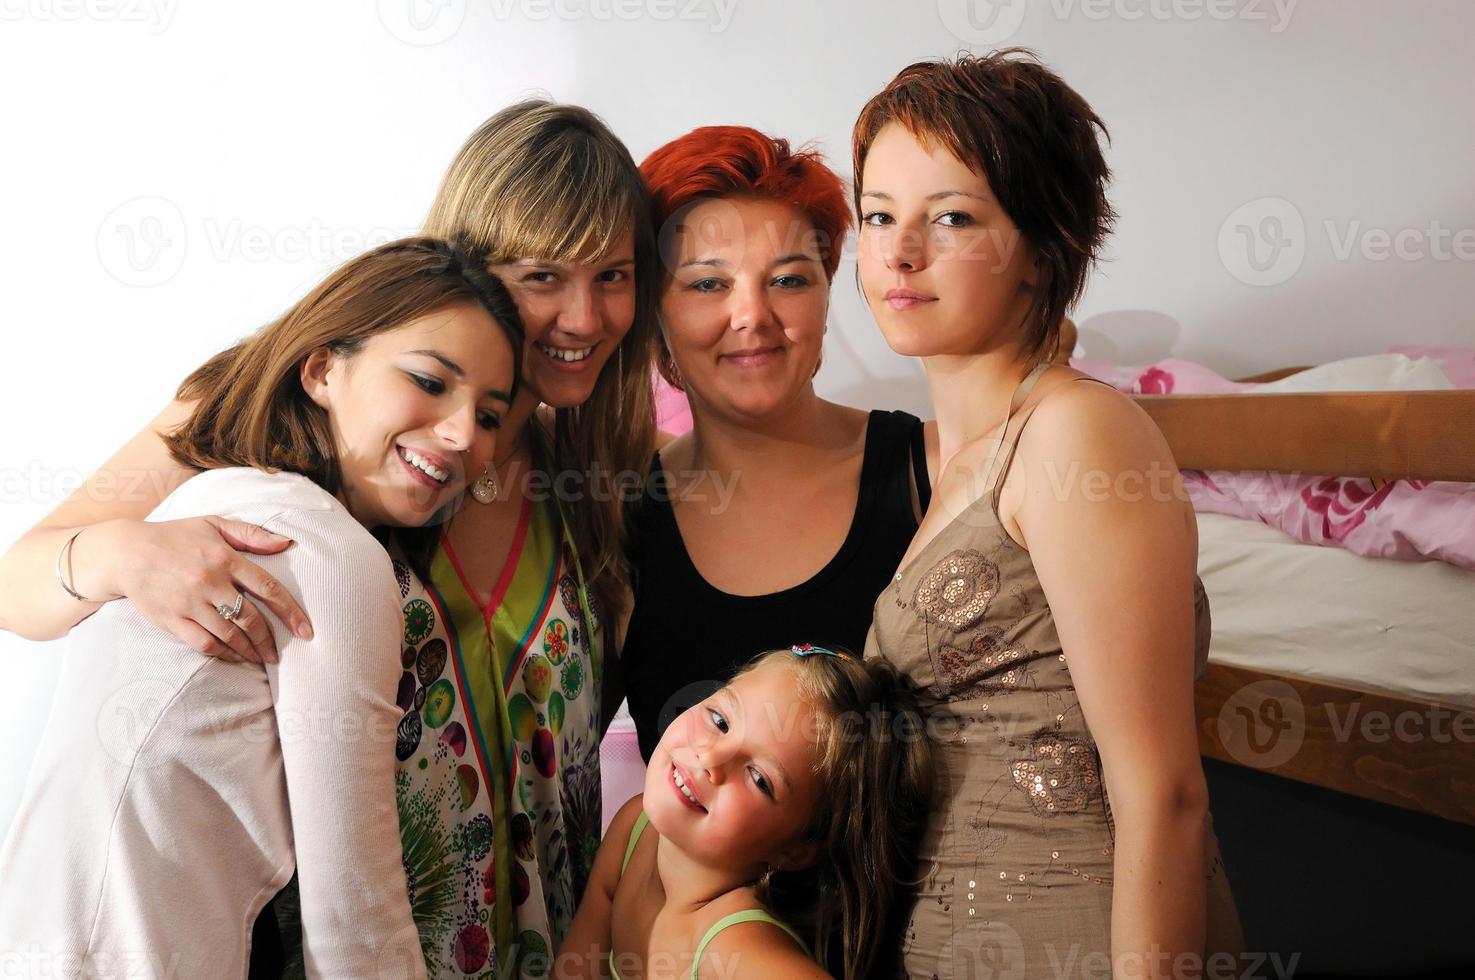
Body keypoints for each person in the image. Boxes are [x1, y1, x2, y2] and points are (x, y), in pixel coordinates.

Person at [0, 100, 658, 978]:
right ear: (474, 261)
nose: (583, 316)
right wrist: (122, 552)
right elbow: (14, 584)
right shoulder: (305, 415)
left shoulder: (599, 478)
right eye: (545, 275)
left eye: (613, 275)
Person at [0, 237, 522, 979]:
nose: (464, 433)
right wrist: (117, 550)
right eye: (430, 382)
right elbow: (353, 927)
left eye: (492, 416)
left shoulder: (228, 492)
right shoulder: (325, 549)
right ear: (321, 369)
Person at [853, 51, 1243, 976]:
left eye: (950, 218)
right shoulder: (958, 462)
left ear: (1041, 246)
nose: (899, 252)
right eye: (877, 217)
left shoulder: (1078, 434)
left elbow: (1163, 792)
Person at [617, 126, 936, 760]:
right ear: (653, 312)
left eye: (789, 280)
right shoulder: (618, 512)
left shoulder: (930, 470)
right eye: (708, 284)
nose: (753, 316)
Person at [557, 645, 934, 980]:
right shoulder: (632, 827)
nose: (711, 759)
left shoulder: (740, 951)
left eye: (758, 778)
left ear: (795, 849)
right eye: (720, 721)